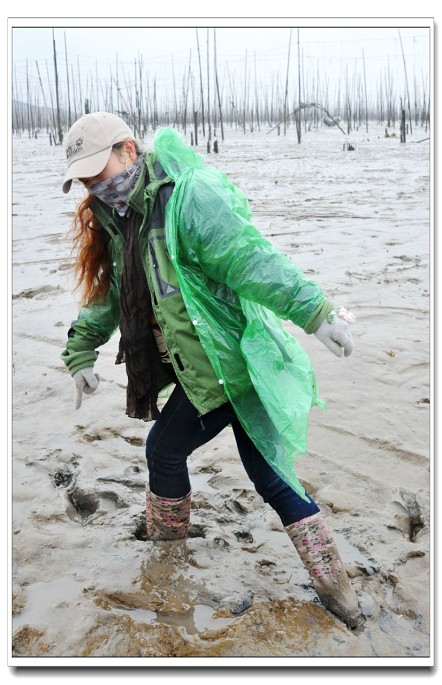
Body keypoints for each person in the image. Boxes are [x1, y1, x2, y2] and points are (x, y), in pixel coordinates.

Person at [61, 111, 361, 628]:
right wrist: (81, 353)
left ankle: (173, 558)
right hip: (198, 366)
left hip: (230, 366)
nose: (95, 186)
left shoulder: (189, 196)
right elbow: (112, 294)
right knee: (257, 471)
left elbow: (250, 259)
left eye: (99, 172)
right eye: (85, 180)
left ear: (128, 151)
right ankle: (336, 593)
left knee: (221, 462)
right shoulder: (121, 215)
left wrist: (316, 313)